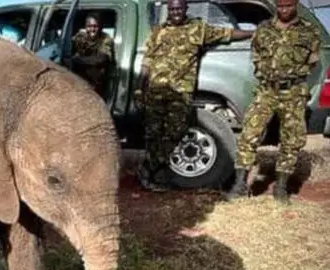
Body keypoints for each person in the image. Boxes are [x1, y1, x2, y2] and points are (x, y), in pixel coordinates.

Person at [134, 0, 253, 191]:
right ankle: (153, 175)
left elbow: (228, 34)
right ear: (168, 10)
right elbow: (147, 63)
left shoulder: (197, 29)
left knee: (176, 131)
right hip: (156, 91)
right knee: (153, 133)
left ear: (185, 9)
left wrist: (253, 33)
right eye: (172, 9)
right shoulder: (157, 32)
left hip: (180, 92)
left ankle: (150, 167)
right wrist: (140, 87)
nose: (175, 12)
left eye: (179, 8)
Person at [225, 0, 321, 204]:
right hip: (266, 90)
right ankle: (240, 185)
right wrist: (264, 72)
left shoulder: (309, 31)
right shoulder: (264, 29)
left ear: (295, 5)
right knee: (249, 133)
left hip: (294, 92)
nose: (284, 10)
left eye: (288, 6)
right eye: (280, 6)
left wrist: (293, 78)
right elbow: (256, 53)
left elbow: (313, 62)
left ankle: (281, 186)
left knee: (292, 139)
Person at [70, 12, 114, 98]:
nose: (92, 29)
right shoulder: (80, 37)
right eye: (89, 26)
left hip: (97, 79)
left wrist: (77, 60)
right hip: (80, 77)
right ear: (85, 27)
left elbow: (101, 58)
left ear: (100, 27)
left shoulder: (105, 38)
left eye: (95, 26)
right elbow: (66, 47)